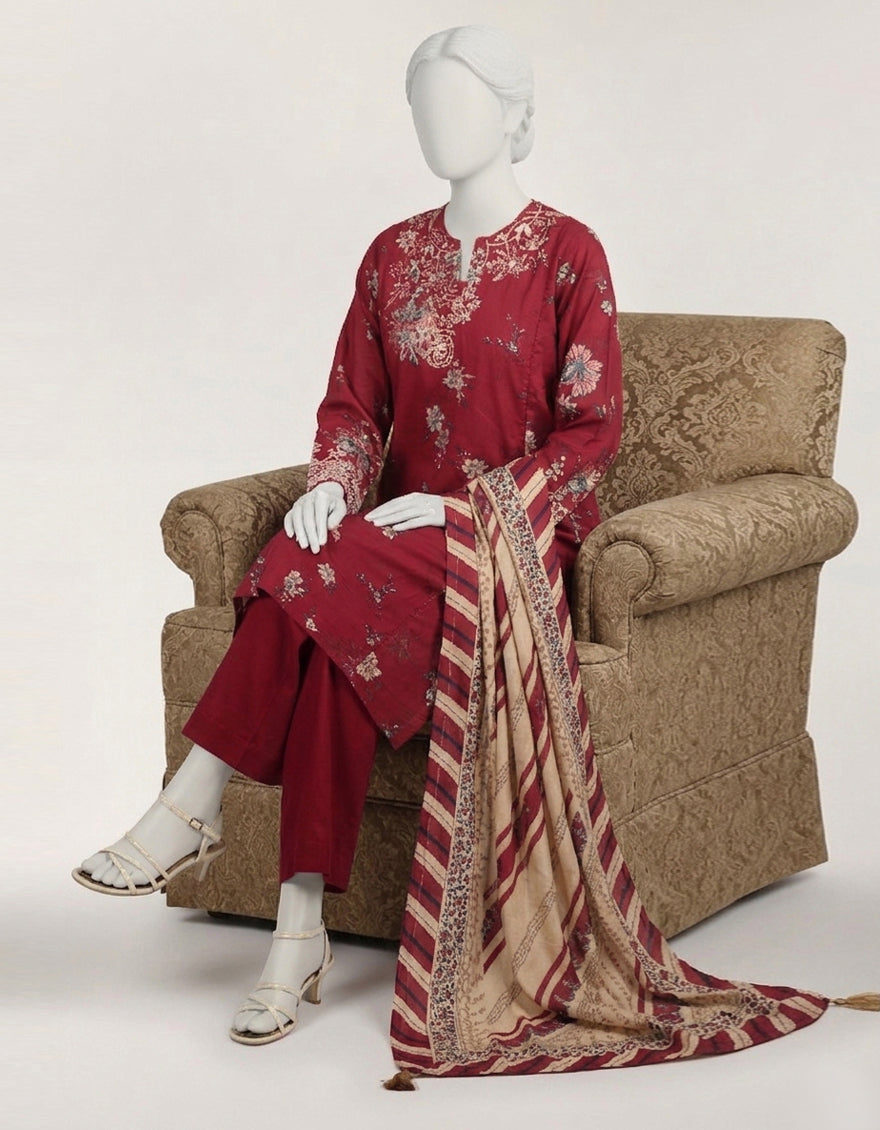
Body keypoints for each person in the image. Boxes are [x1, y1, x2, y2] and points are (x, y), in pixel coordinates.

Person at [73, 23, 620, 1044]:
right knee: (330, 629)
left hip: (500, 546)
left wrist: (464, 508)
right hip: (384, 556)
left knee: (305, 571)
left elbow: (591, 435)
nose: (438, 123)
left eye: (461, 101)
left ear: (512, 113)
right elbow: (354, 409)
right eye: (423, 105)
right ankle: (297, 934)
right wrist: (331, 484)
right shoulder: (392, 254)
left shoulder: (567, 252)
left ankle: (191, 801)